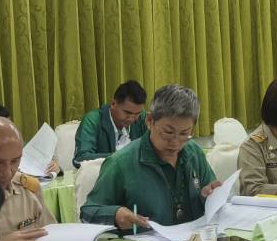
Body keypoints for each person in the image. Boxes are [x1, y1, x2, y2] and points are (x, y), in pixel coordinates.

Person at [81, 84, 221, 231]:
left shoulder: (194, 153)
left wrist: (209, 196)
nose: (175, 143)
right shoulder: (121, 163)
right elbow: (88, 211)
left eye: (184, 133)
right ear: (150, 121)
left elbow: (208, 191)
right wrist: (115, 215)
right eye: (168, 132)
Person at [73, 80, 147, 167]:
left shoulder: (142, 118)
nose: (131, 119)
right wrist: (122, 156)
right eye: (127, 112)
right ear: (113, 104)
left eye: (137, 114)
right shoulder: (93, 120)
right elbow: (80, 159)